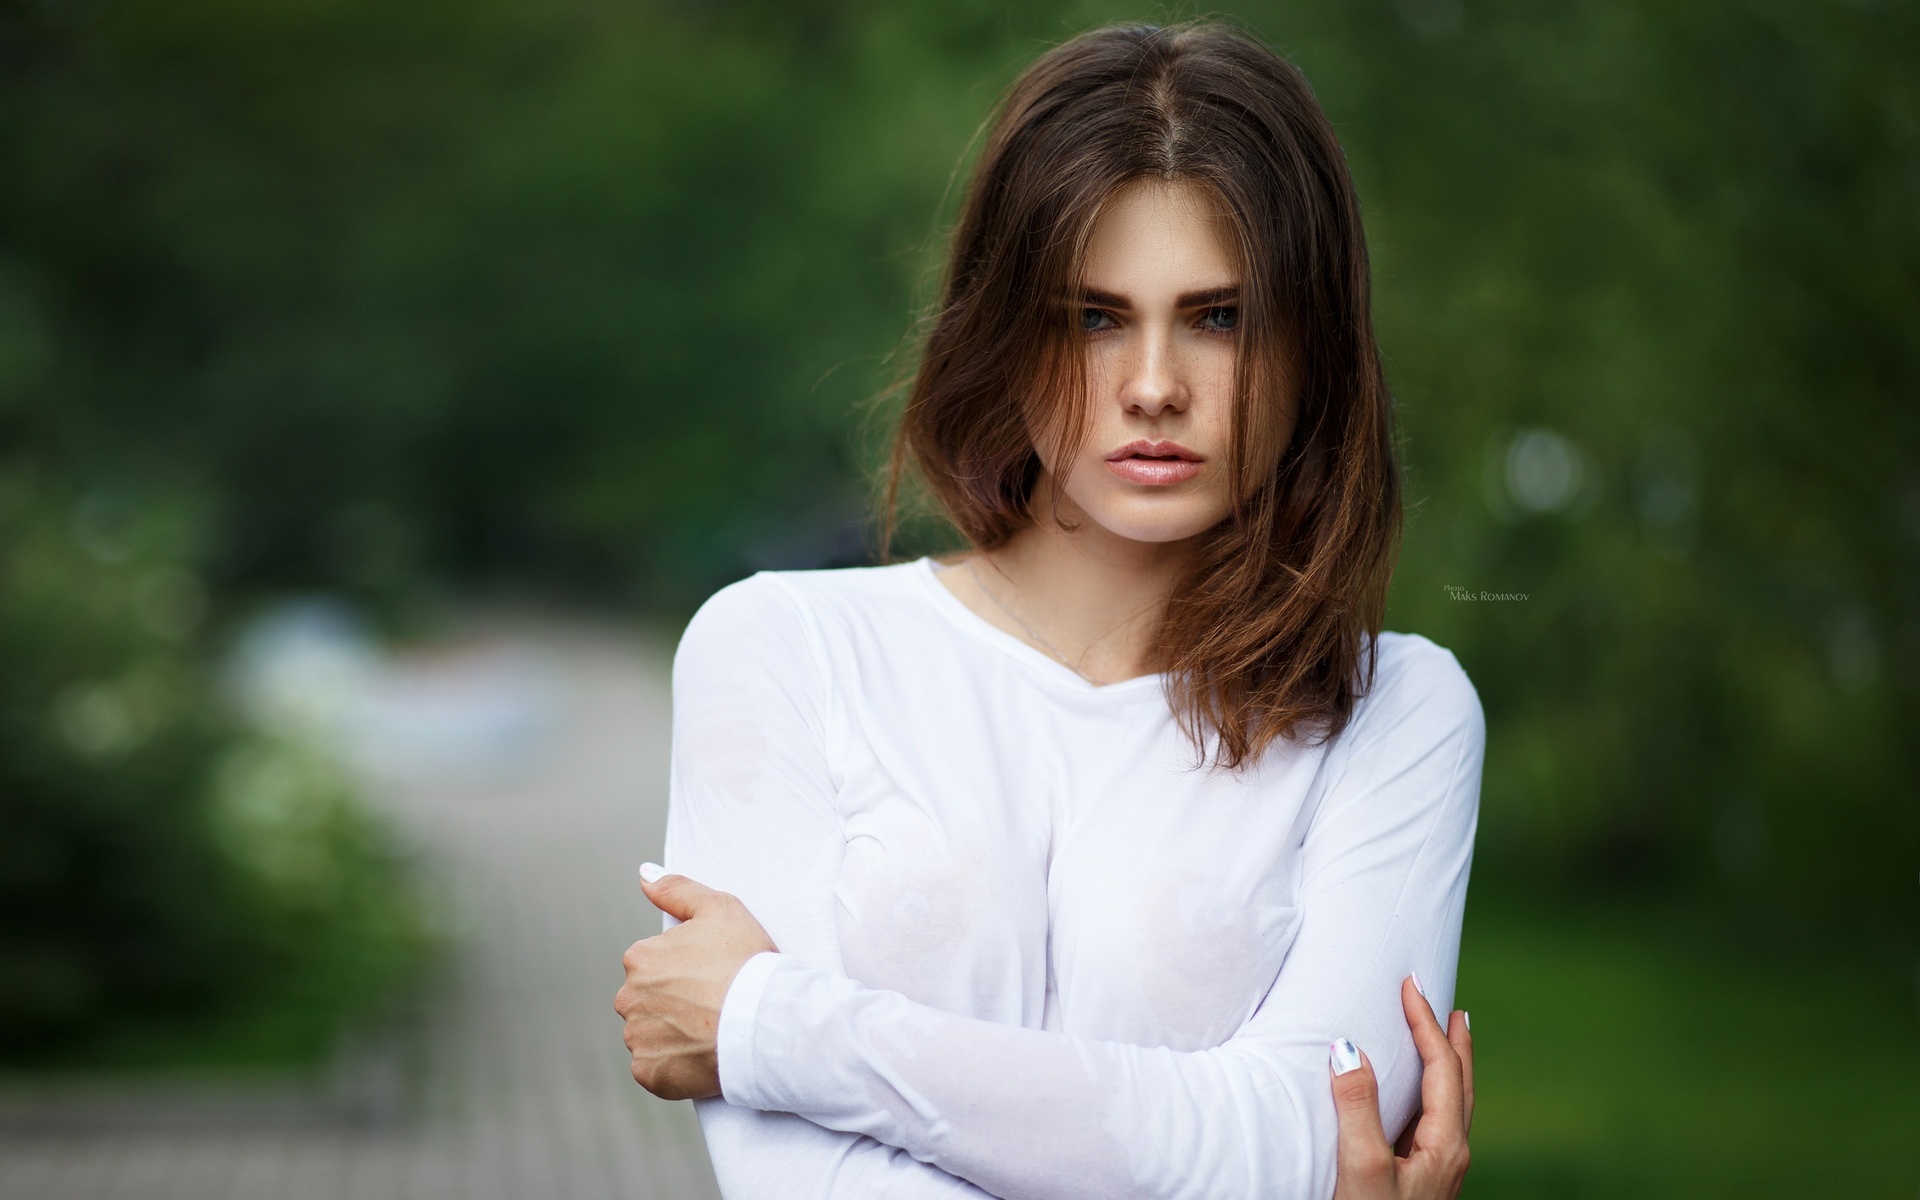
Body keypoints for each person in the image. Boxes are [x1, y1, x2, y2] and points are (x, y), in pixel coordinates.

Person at [615, 21, 1483, 1200]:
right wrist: (1218, 1148)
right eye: (1094, 315)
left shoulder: (1395, 713)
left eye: (1219, 316)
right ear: (1006, 327)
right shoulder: (780, 649)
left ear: (1313, 346)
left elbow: (1309, 1141)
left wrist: (777, 1025)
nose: (1155, 385)